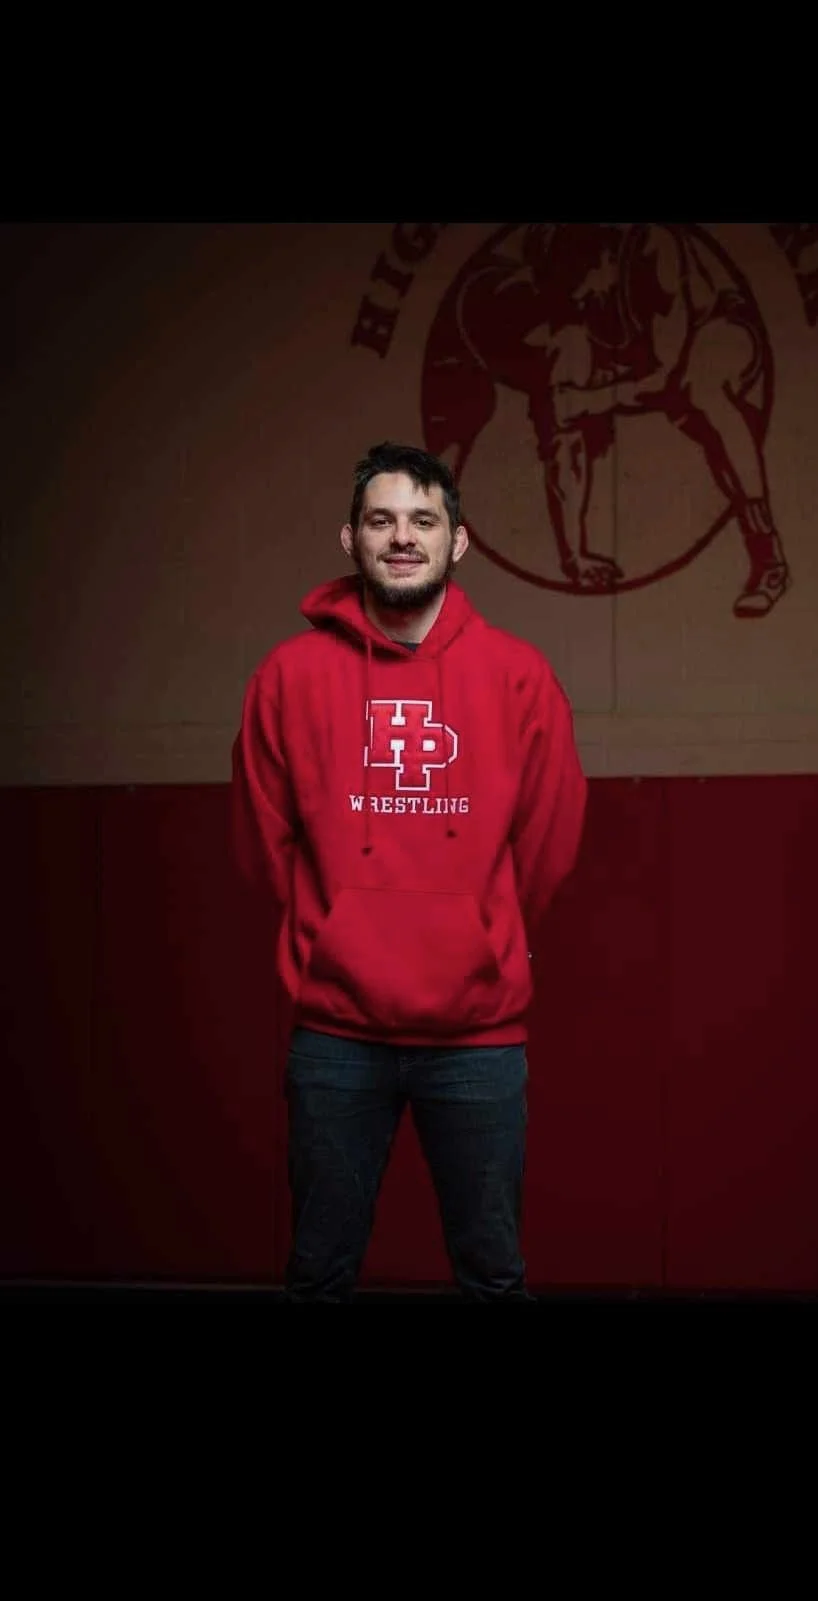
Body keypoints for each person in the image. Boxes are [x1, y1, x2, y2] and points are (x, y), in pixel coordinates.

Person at [231, 441, 587, 1301]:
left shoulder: (518, 677)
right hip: (336, 1031)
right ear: (350, 538)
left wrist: (478, 930)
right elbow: (259, 843)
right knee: (318, 1272)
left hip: (478, 1037)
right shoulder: (288, 676)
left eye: (423, 520)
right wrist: (338, 932)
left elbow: (547, 842)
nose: (402, 537)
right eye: (382, 519)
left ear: (457, 542)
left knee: (494, 1275)